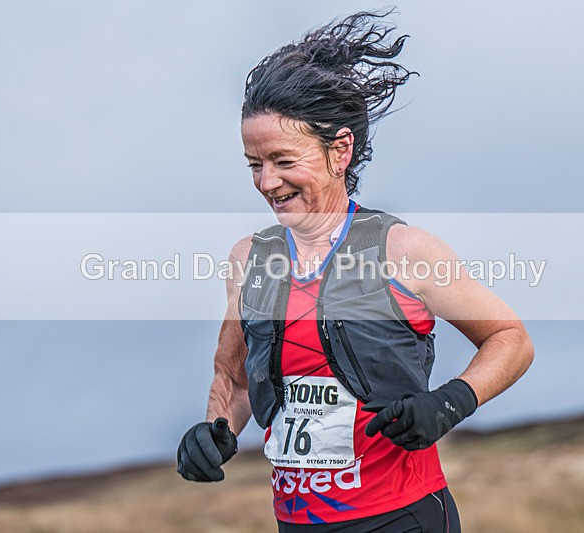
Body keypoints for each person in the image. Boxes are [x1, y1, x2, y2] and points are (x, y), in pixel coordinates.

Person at [177, 10, 534, 532]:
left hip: (401, 517)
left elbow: (511, 338)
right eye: (254, 164)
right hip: (297, 523)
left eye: (283, 160)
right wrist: (210, 434)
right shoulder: (249, 259)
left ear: (339, 150)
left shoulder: (404, 249)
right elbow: (233, 379)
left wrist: (448, 404)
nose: (267, 182)